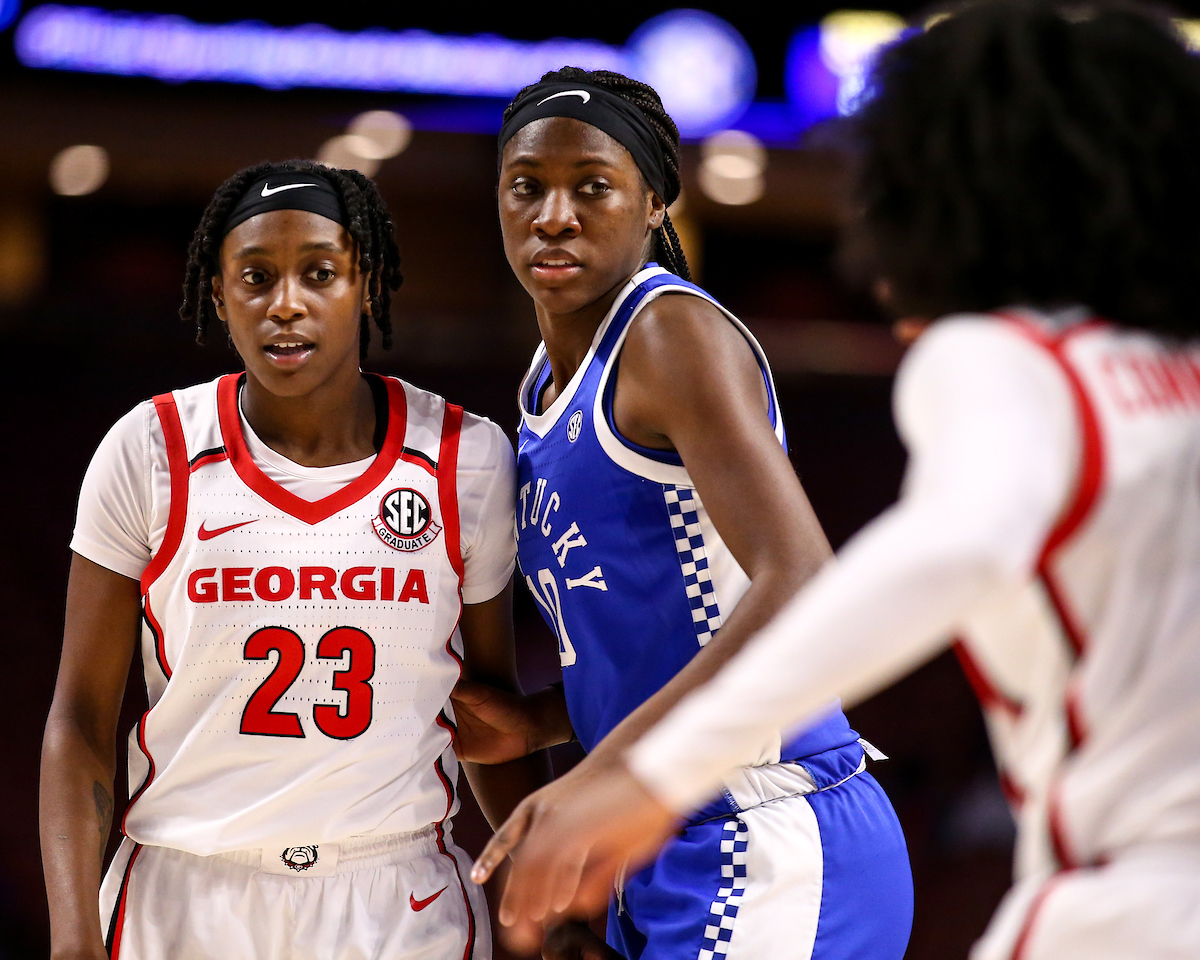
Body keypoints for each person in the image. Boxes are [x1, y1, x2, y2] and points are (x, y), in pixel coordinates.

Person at [471, 4, 1200, 959]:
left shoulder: (1006, 360)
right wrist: (542, 726)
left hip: (811, 835)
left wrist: (637, 778)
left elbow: (906, 561)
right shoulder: (1170, 371)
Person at [450, 67, 912, 960]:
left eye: (593, 186)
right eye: (526, 187)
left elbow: (804, 581)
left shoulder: (667, 333)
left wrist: (597, 779)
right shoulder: (543, 393)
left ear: (655, 203)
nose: (554, 215)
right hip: (660, 838)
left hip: (766, 826)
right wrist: (546, 723)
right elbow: (670, 630)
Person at [40, 159, 545, 960]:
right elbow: (78, 717)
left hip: (398, 897)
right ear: (218, 296)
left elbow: (483, 710)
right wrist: (71, 940)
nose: (286, 303)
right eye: (255, 277)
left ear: (367, 285)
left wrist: (542, 910)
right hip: (183, 889)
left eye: (320, 273)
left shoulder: (467, 458)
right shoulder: (150, 449)